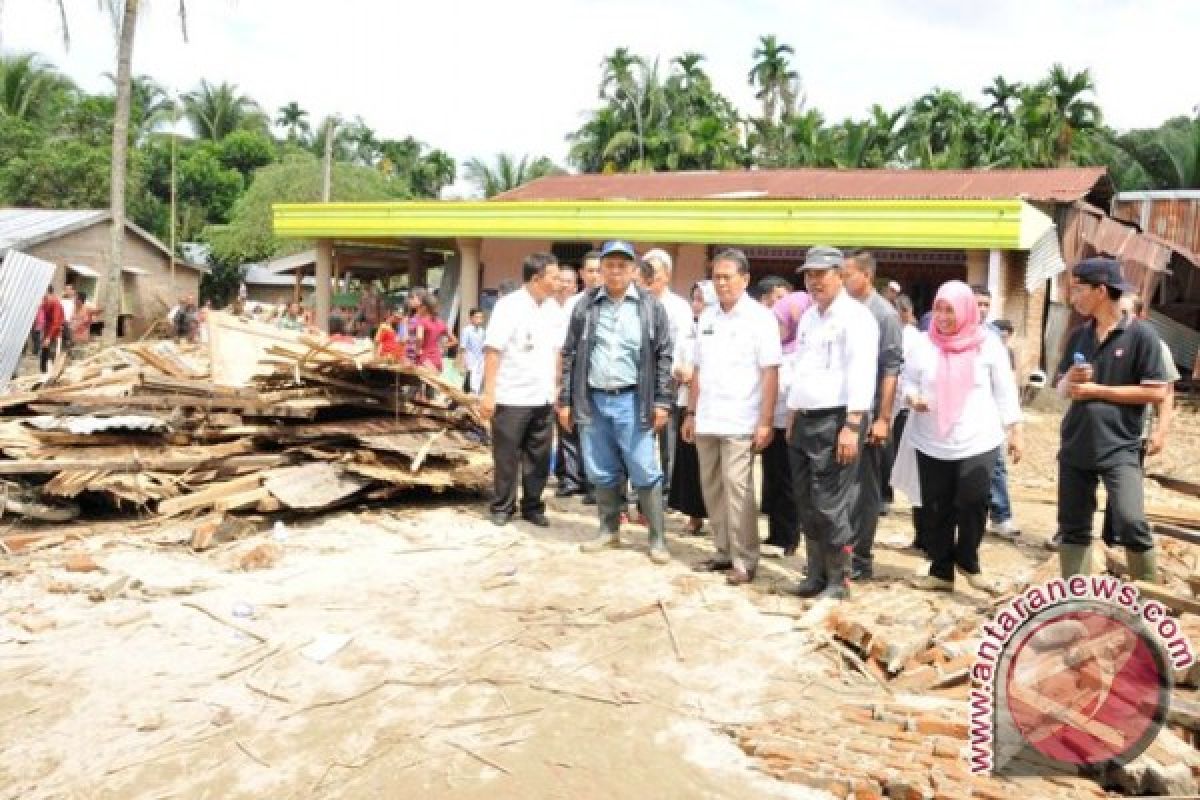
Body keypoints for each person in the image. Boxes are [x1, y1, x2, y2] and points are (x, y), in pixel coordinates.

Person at [900, 281, 1023, 593]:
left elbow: (1005, 390)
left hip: (978, 437)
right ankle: (941, 570)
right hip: (931, 438)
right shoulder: (923, 345)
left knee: (973, 500)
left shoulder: (989, 345)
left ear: (966, 311)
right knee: (935, 506)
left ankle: (968, 560)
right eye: (938, 308)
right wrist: (912, 398)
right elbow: (908, 381)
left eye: (950, 310)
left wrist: (1015, 430)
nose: (942, 316)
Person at [1054, 259, 1168, 581]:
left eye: (1078, 288)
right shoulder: (1079, 335)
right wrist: (1072, 381)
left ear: (1101, 291)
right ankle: (1076, 598)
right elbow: (1062, 390)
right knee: (1073, 526)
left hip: (1120, 447)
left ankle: (1147, 596)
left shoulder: (1141, 335)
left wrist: (1097, 390)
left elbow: (1157, 392)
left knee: (1132, 521)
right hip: (1077, 444)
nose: (1072, 296)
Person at [561, 241, 674, 564]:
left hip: (633, 400)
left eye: (622, 265)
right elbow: (569, 354)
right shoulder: (585, 306)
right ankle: (609, 531)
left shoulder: (650, 307)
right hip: (593, 399)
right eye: (609, 264)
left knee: (644, 468)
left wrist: (662, 401)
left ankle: (657, 538)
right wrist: (566, 400)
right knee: (601, 469)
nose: (615, 271)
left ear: (634, 270)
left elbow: (664, 355)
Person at [782, 246, 878, 601]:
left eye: (822, 274)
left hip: (837, 420)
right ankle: (816, 573)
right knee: (806, 499)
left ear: (840, 274)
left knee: (831, 502)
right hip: (805, 420)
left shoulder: (856, 318)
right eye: (809, 274)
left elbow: (862, 373)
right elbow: (801, 368)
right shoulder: (809, 317)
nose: (814, 281)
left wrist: (853, 425)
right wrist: (792, 411)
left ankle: (840, 579)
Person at [682, 248, 781, 586]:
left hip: (742, 419)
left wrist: (765, 420)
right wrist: (691, 412)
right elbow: (698, 369)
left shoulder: (760, 318)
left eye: (728, 276)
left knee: (738, 489)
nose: (721, 283)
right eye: (717, 277)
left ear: (745, 279)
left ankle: (746, 559)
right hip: (708, 416)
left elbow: (770, 372)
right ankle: (723, 551)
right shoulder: (707, 317)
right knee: (712, 487)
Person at [481, 253, 561, 527]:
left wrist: (558, 388)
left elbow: (557, 351)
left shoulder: (553, 309)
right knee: (506, 456)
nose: (559, 281)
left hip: (543, 395)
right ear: (537, 278)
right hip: (511, 395)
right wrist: (489, 393)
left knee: (538, 456)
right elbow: (493, 351)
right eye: (554, 276)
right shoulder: (509, 306)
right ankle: (503, 506)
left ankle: (533, 506)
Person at [841, 250, 904, 581]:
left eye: (846, 273)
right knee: (840, 487)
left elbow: (891, 370)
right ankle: (840, 552)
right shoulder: (842, 311)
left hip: (869, 413)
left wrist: (883, 418)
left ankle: (860, 557)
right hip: (842, 411)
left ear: (865, 276)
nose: (841, 279)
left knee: (864, 489)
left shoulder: (884, 315)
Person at [761, 279, 810, 557]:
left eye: (782, 322)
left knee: (789, 483)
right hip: (771, 423)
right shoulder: (776, 349)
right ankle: (775, 533)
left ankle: (789, 536)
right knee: (773, 481)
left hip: (791, 425)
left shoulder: (801, 351)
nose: (777, 329)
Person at [643, 248, 693, 508]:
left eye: (655, 271)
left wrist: (674, 372)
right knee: (642, 439)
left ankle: (667, 492)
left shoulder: (679, 307)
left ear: (668, 275)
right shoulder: (638, 302)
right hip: (641, 383)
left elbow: (683, 344)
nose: (649, 277)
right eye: (646, 271)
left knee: (668, 441)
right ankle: (643, 489)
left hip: (668, 381)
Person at [971, 286, 1022, 541]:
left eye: (986, 305)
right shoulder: (946, 331)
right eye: (977, 303)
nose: (982, 309)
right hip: (958, 418)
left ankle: (1001, 516)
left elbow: (1005, 383)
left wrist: (1014, 426)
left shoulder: (992, 337)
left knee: (997, 465)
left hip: (989, 416)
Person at [668, 281, 715, 535]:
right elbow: (677, 359)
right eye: (694, 299)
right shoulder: (688, 330)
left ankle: (714, 517)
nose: (698, 305)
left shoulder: (718, 328)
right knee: (687, 463)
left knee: (708, 465)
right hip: (686, 401)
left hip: (711, 404)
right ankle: (693, 515)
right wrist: (680, 371)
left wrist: (696, 375)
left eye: (703, 299)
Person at [887, 294, 926, 549]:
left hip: (921, 416)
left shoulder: (916, 339)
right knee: (915, 477)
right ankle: (921, 536)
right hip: (906, 411)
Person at [551, 266, 588, 498]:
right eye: (559, 280)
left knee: (577, 427)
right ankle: (567, 476)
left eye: (568, 281)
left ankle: (578, 477)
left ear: (576, 284)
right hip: (550, 376)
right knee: (562, 427)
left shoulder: (578, 305)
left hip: (574, 373)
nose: (563, 285)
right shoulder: (546, 308)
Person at [36, 287, 65, 373]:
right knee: (44, 356)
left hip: (55, 334)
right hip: (47, 332)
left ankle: (50, 375)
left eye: (44, 295)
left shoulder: (55, 303)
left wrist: (48, 337)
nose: (43, 297)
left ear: (49, 293)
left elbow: (56, 322)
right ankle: (43, 374)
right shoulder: (45, 303)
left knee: (51, 356)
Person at [458, 308, 486, 395]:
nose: (479, 320)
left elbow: (484, 346)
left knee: (477, 383)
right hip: (469, 360)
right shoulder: (466, 330)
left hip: (480, 360)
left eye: (481, 317)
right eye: (477, 317)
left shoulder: (482, 331)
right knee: (468, 383)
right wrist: (463, 362)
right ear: (471, 318)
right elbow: (463, 347)